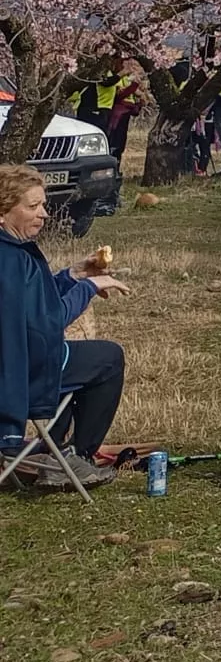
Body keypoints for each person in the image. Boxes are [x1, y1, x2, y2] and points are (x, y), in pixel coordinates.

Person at [0, 166, 129, 488]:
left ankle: (51, 454)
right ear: (2, 212)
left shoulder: (12, 251)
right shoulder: (11, 259)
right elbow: (49, 322)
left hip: (13, 362)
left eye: (42, 205)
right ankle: (76, 457)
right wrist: (90, 287)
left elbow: (31, 304)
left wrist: (72, 276)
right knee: (107, 359)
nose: (43, 214)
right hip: (17, 372)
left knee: (79, 360)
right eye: (32, 207)